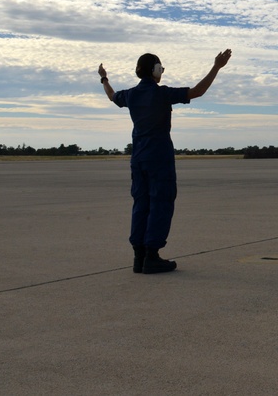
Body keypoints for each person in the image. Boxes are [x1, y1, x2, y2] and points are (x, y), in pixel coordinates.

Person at [98, 49, 232, 274]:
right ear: (156, 70)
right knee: (161, 203)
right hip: (159, 158)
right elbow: (197, 91)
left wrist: (103, 78)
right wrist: (217, 67)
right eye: (161, 68)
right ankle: (152, 256)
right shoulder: (162, 94)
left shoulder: (130, 95)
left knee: (141, 204)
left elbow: (112, 96)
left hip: (138, 158)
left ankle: (138, 257)